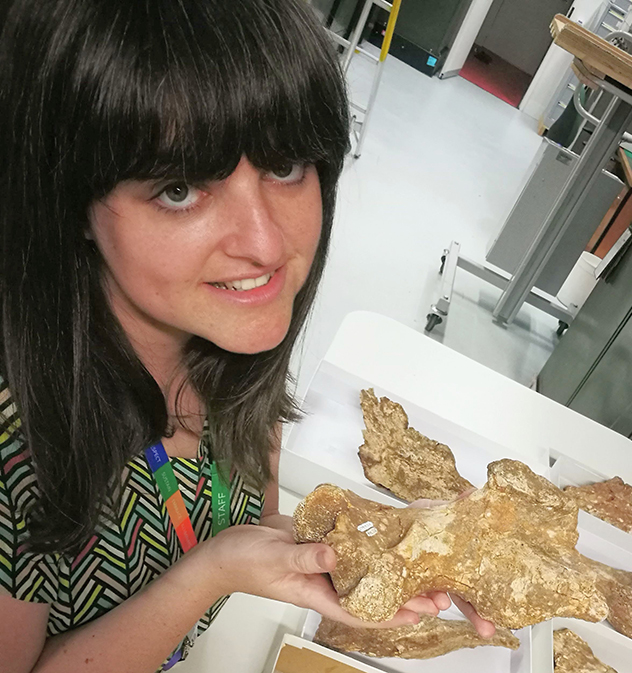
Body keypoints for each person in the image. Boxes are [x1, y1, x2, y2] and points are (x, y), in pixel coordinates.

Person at [0, 1, 494, 671]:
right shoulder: (19, 449)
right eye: (179, 188)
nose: (264, 244)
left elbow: (245, 523)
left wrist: (375, 550)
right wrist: (211, 571)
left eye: (285, 164)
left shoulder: (229, 353)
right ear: (70, 202)